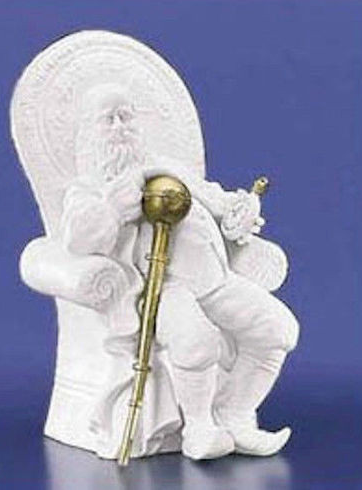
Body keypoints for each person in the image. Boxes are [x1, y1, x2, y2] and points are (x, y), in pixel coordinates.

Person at [60, 83, 300, 459]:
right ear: (89, 132)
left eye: (126, 116)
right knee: (195, 340)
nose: (120, 126)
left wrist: (238, 213)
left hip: (215, 280)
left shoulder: (168, 168)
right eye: (108, 119)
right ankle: (199, 429)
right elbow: (78, 240)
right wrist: (114, 207)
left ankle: (236, 414)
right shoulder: (89, 188)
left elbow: (215, 199)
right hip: (162, 287)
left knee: (279, 329)